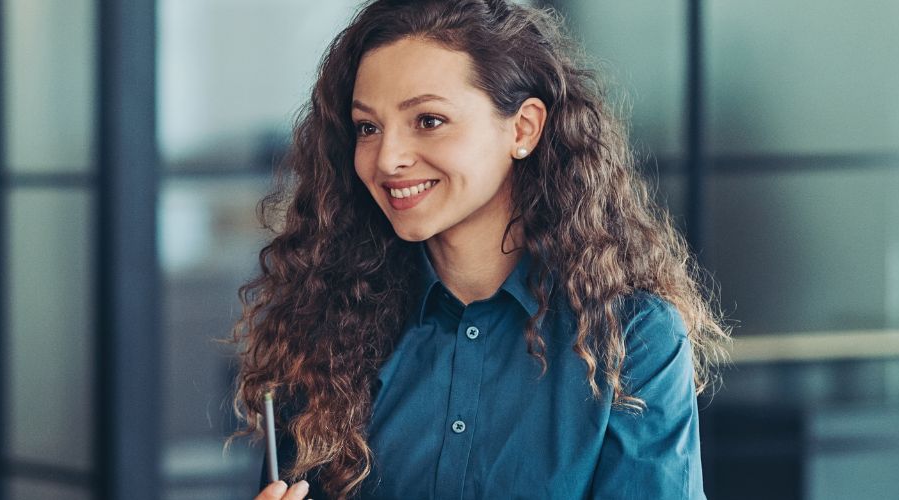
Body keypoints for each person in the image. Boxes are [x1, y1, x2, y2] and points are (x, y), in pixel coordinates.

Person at [234, 0, 730, 498]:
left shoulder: (632, 335)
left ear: (523, 128)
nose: (387, 158)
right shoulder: (325, 326)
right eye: (368, 127)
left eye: (428, 120)